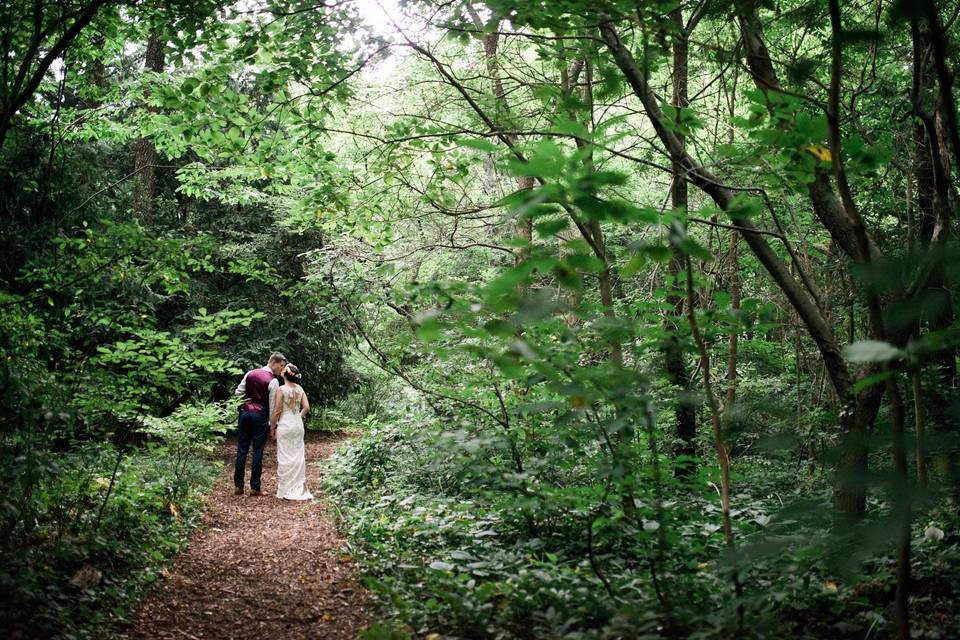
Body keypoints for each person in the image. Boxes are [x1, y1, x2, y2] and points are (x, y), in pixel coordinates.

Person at [233, 352, 286, 496]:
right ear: (273, 362)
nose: (282, 370)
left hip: (244, 413)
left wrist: (245, 404)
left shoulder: (250, 373)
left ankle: (238, 486)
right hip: (260, 416)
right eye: (281, 366)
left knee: (242, 450)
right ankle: (255, 487)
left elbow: (238, 393)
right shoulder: (273, 381)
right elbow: (273, 405)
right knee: (257, 451)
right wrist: (272, 425)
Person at [270, 363, 313, 500]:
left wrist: (272, 427)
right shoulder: (300, 389)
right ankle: (298, 487)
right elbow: (306, 407)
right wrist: (297, 417)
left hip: (285, 424)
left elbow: (277, 411)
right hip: (297, 424)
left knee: (284, 455)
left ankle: (286, 489)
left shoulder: (281, 389)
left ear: (285, 374)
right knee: (298, 455)